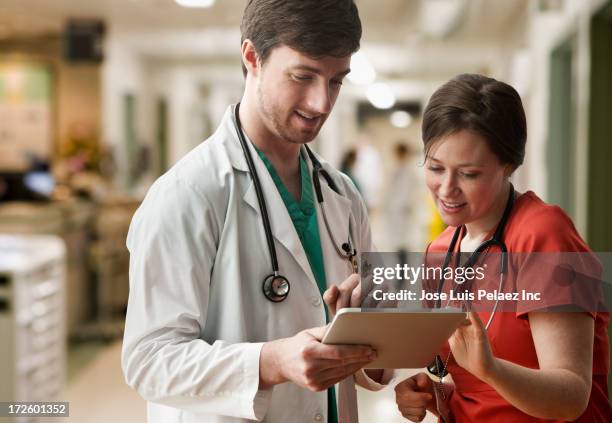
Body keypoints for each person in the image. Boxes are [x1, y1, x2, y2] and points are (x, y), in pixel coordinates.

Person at [121, 1, 378, 422]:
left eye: (336, 81)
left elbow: (372, 351)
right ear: (252, 57)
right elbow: (148, 360)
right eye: (303, 76)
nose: (321, 103)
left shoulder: (342, 194)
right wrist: (270, 362)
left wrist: (373, 336)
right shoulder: (186, 194)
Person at [394, 74, 610, 422]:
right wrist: (436, 395)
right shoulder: (440, 251)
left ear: (508, 164)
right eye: (435, 168)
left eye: (469, 173)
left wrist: (492, 369)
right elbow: (475, 388)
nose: (446, 189)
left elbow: (571, 396)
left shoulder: (543, 235)